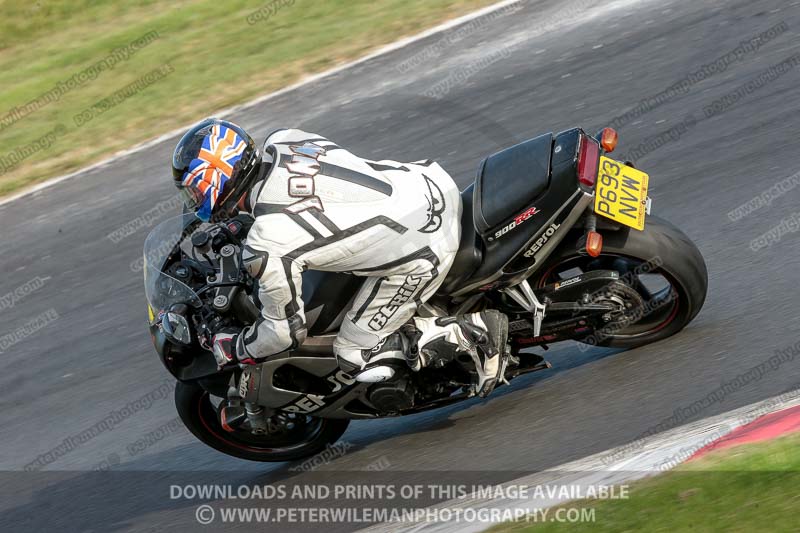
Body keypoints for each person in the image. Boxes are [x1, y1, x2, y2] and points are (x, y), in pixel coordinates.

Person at [171, 118, 508, 397]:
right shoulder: (285, 139)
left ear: (215, 178)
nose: (193, 201)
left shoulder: (268, 241)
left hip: (426, 246)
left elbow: (285, 333)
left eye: (195, 191)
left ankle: (473, 333)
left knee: (353, 353)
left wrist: (236, 347)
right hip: (428, 184)